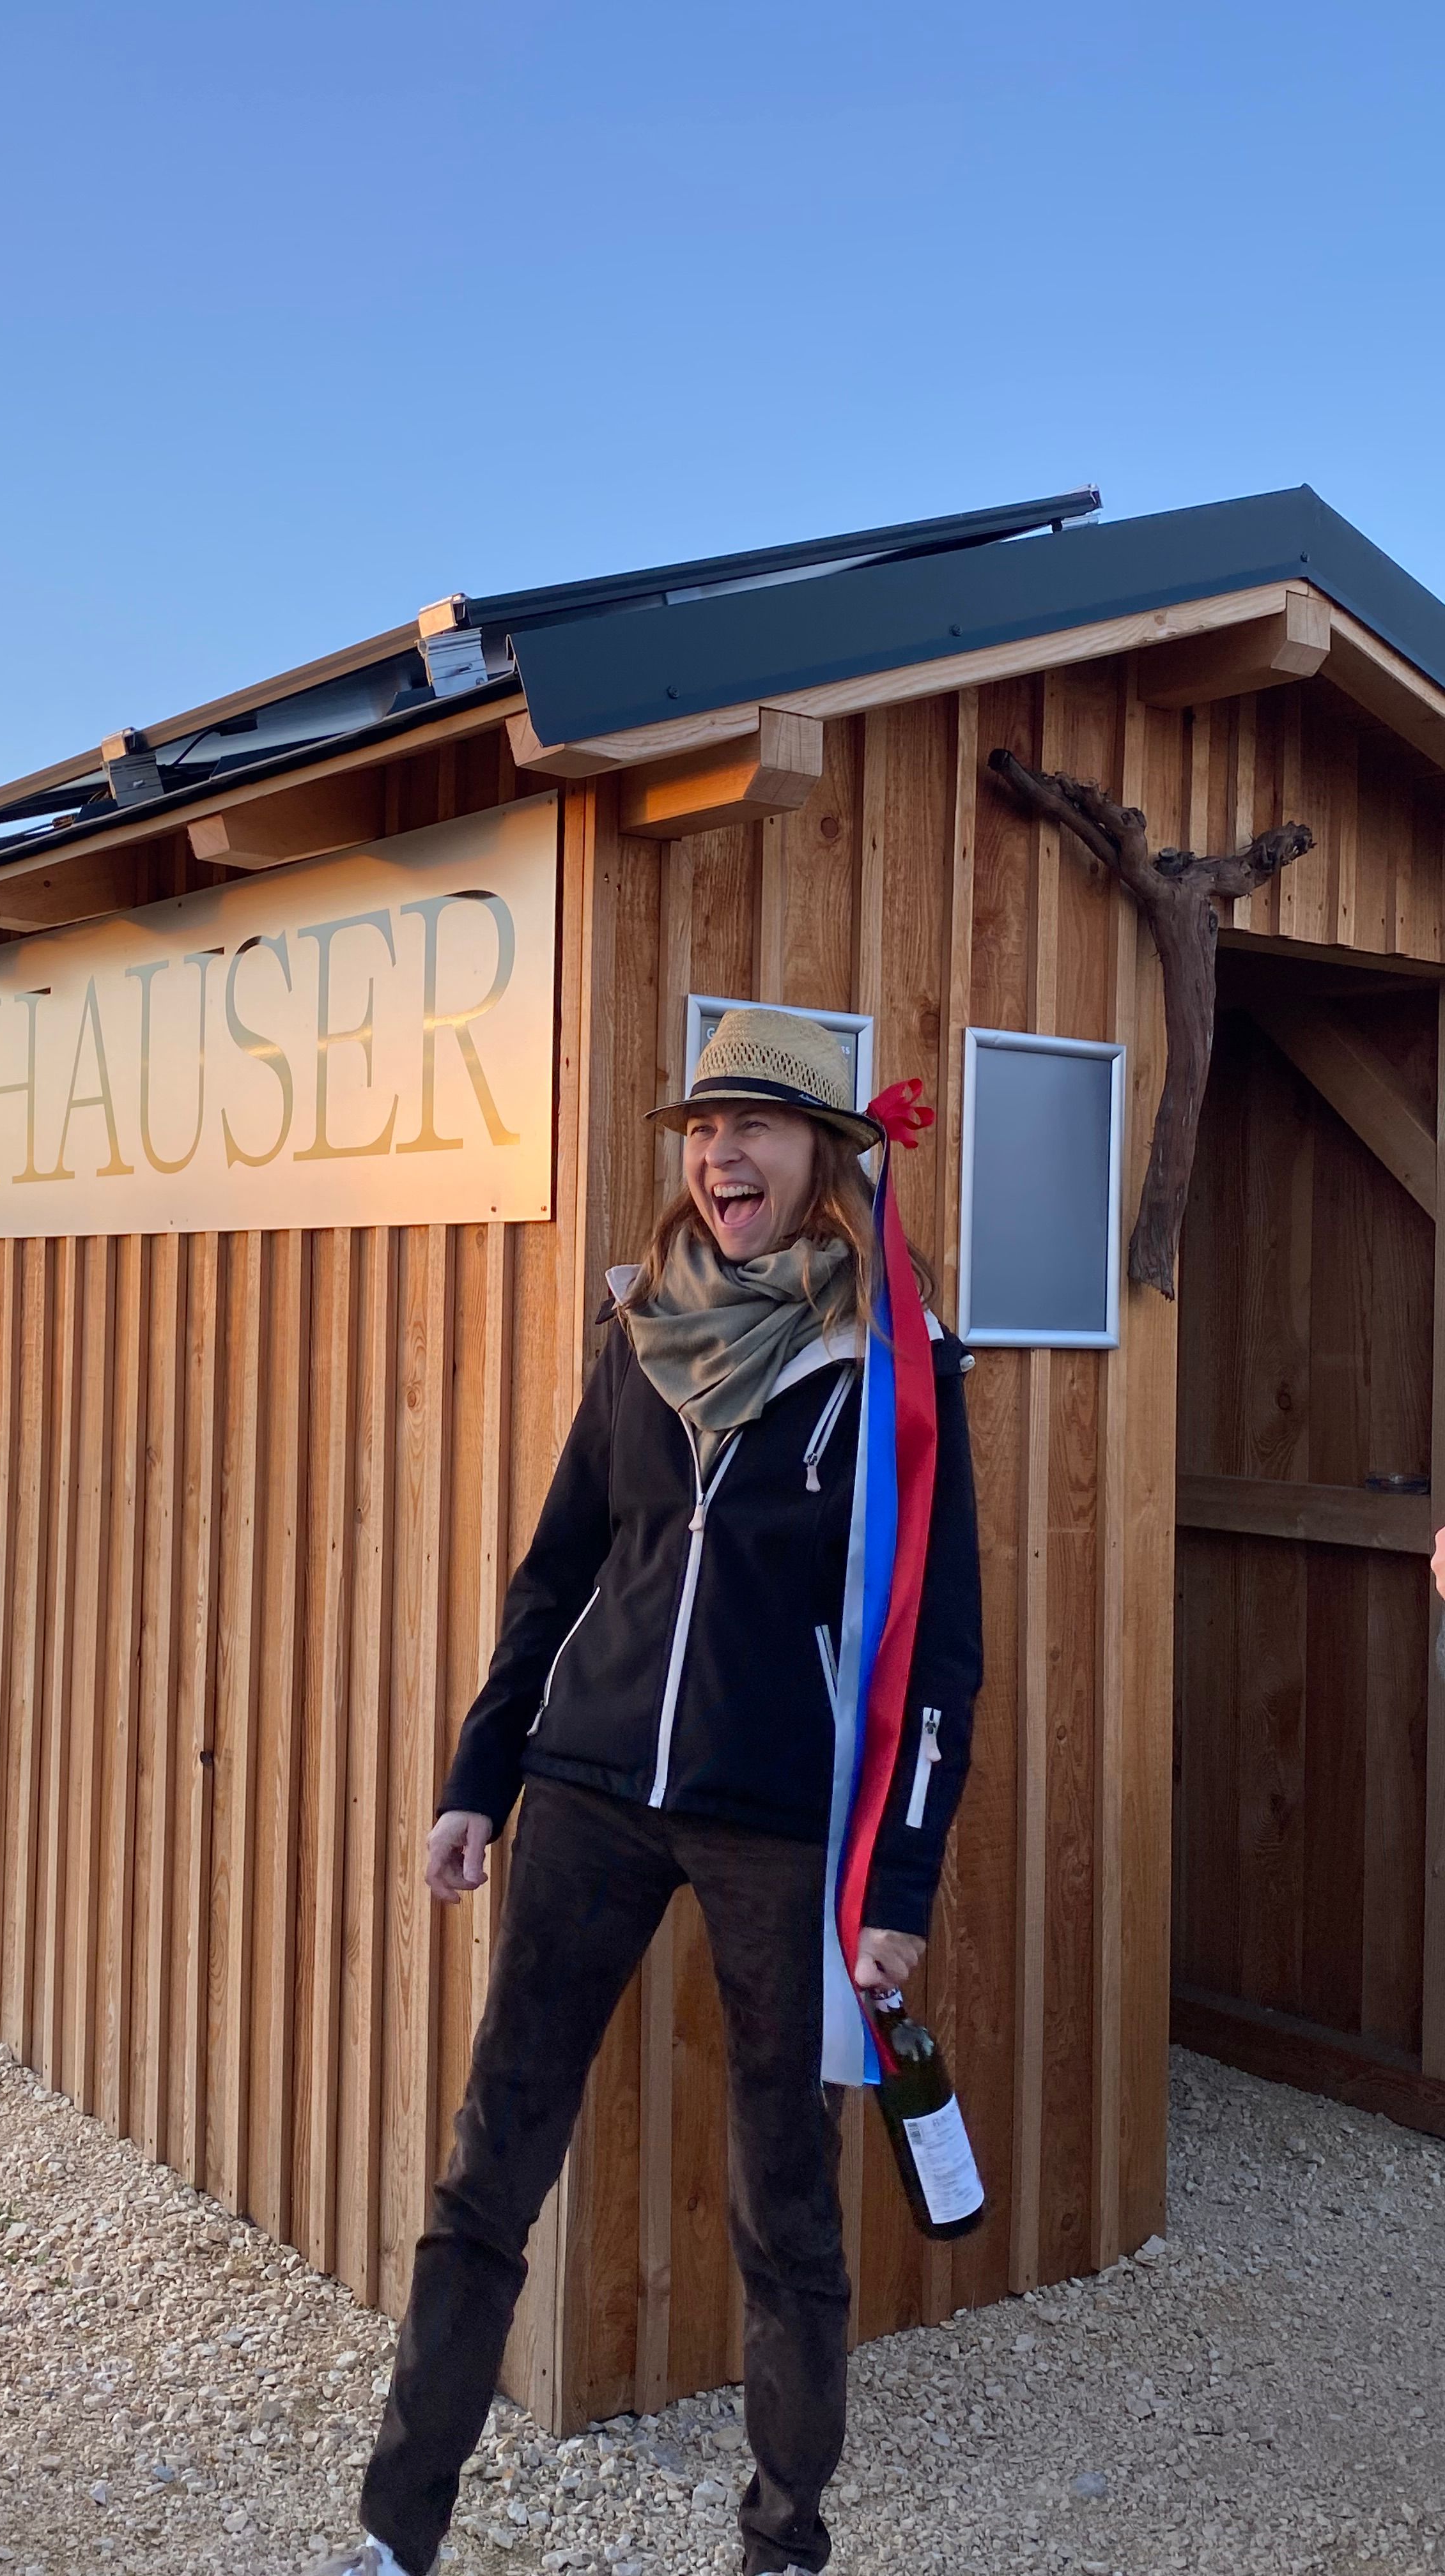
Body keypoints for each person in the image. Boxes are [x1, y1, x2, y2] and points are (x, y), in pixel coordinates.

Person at [304, 1008, 984, 2576]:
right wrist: (482, 1775)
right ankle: (396, 2533)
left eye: (752, 1127)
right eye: (700, 1129)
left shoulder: (891, 1364)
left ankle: (782, 2542)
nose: (717, 1153)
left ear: (827, 1158)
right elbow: (562, 1569)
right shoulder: (646, 1327)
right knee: (490, 2168)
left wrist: (899, 1892)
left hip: (783, 1828)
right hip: (591, 1789)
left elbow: (938, 1650)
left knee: (784, 2205)